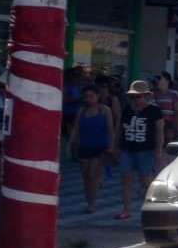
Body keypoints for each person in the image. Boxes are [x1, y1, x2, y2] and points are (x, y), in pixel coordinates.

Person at [114, 80, 163, 220]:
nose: (135, 99)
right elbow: (119, 129)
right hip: (127, 148)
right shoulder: (127, 110)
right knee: (126, 178)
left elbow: (159, 132)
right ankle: (126, 209)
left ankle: (155, 207)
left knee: (145, 179)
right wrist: (115, 147)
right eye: (133, 97)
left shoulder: (155, 110)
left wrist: (158, 149)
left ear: (146, 96)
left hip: (146, 150)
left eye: (138, 96)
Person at [65, 84, 113, 214]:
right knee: (86, 177)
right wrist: (69, 144)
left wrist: (111, 147)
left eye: (91, 96)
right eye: (86, 96)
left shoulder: (105, 110)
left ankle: (91, 203)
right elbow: (75, 129)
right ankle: (89, 200)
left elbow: (110, 130)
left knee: (92, 175)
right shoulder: (81, 111)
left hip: (100, 148)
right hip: (84, 147)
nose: (88, 99)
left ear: (97, 96)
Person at [152, 71, 178, 140]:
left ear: (167, 81)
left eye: (159, 78)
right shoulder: (152, 94)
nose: (156, 80)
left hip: (169, 129)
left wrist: (177, 130)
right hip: (155, 128)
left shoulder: (174, 95)